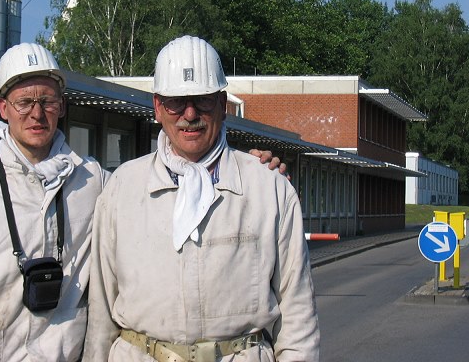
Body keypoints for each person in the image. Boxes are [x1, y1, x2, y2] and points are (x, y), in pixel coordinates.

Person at [0, 42, 285, 362]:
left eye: (47, 101)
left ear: (61, 107)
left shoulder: (94, 182)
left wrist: (248, 167)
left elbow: (168, 183)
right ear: (2, 107)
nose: (36, 112)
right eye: (24, 102)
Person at [84, 36, 320, 362]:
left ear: (223, 104)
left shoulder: (269, 189)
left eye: (202, 100)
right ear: (157, 107)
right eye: (175, 102)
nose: (189, 113)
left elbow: (297, 316)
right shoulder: (122, 189)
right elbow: (101, 310)